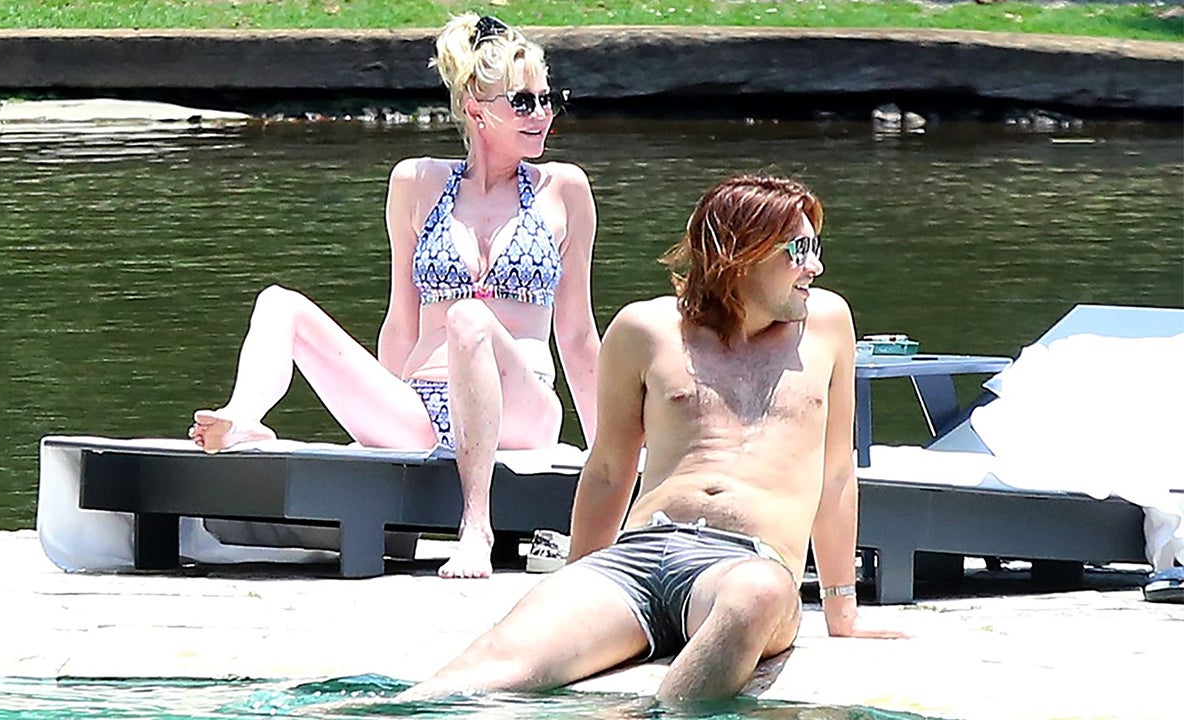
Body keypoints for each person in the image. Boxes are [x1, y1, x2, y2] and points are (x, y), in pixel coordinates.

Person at [401, 174, 904, 703]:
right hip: (637, 556)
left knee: (756, 595)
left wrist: (842, 610)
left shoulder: (827, 324)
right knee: (476, 673)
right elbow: (608, 470)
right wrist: (576, 582)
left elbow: (836, 473)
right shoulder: (644, 329)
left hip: (747, 564)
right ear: (741, 255)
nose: (814, 266)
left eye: (815, 248)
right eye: (798, 250)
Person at [188, 13, 599, 580]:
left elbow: (576, 336)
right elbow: (401, 321)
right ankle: (242, 417)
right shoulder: (415, 182)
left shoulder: (564, 189)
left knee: (469, 318)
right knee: (280, 302)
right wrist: (381, 407)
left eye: (547, 99)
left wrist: (610, 453)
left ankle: (475, 527)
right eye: (524, 102)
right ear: (476, 109)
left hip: (520, 410)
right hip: (421, 407)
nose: (542, 114)